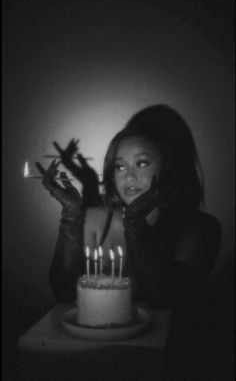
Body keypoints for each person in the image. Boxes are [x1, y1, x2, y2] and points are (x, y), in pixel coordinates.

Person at [36, 104, 221, 379]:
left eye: (142, 163)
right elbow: (63, 293)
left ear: (169, 167)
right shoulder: (99, 219)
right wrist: (71, 218)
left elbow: (166, 299)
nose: (129, 175)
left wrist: (134, 222)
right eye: (119, 166)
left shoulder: (198, 229)